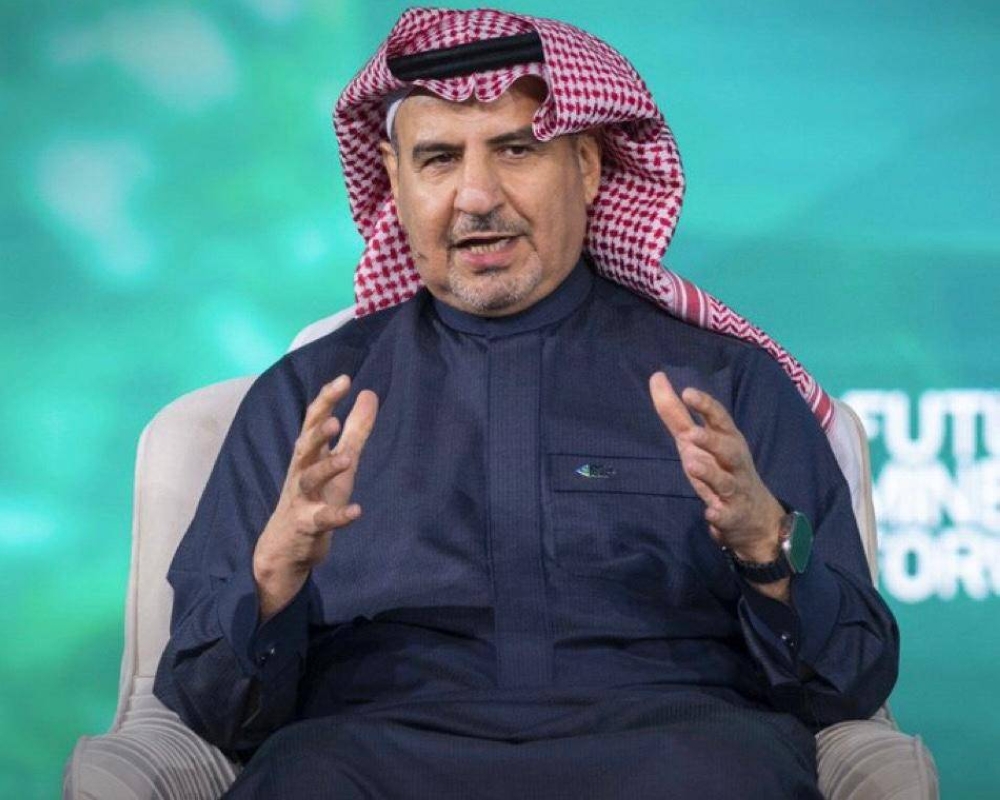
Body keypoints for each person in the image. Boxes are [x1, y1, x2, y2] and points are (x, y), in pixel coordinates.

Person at [154, 8, 898, 798]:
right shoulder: (309, 400)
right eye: (439, 158)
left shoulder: (726, 385)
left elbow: (849, 681)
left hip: (667, 748)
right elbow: (210, 708)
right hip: (379, 752)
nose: (477, 196)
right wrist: (274, 575)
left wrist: (765, 546)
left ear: (587, 166)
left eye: (516, 149)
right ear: (396, 182)